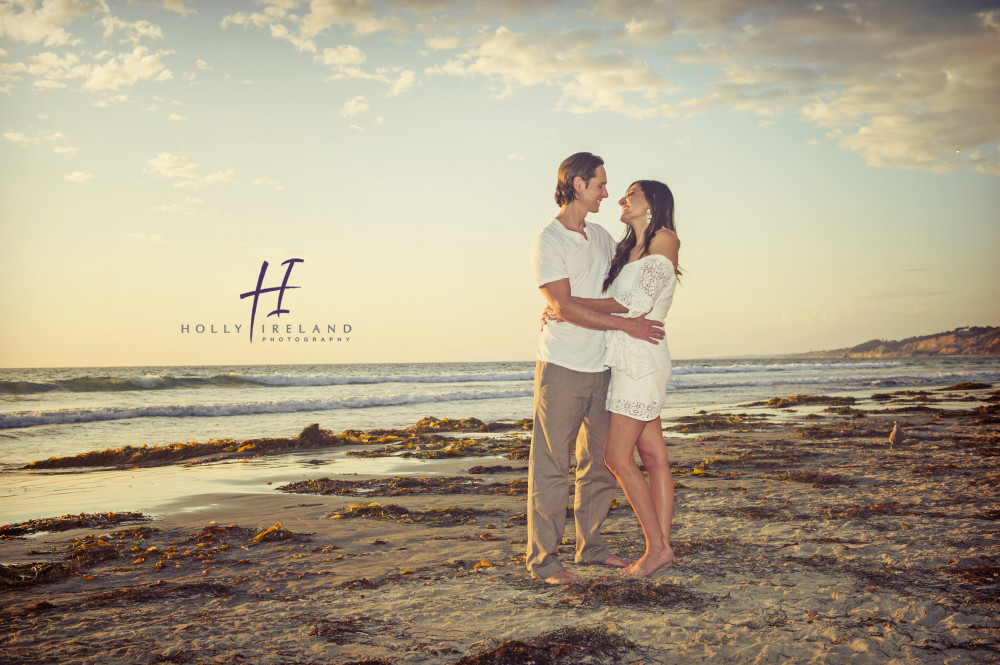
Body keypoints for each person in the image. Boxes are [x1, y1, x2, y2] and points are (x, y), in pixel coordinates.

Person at [527, 153, 665, 585]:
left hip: (606, 364)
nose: (607, 192)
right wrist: (558, 309)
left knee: (600, 464)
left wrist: (564, 308)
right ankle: (545, 561)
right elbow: (563, 303)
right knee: (553, 464)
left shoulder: (604, 237)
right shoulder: (548, 241)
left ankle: (593, 548)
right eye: (601, 184)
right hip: (563, 365)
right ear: (577, 184)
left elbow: (621, 293)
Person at [569, 179, 680, 577]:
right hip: (624, 359)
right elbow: (615, 306)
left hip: (643, 358)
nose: (620, 198)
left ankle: (655, 549)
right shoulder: (625, 250)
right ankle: (662, 547)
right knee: (653, 456)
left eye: (630, 193)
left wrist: (566, 303)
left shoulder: (664, 239)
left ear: (652, 203)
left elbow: (637, 304)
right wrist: (566, 307)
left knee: (616, 456)